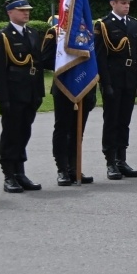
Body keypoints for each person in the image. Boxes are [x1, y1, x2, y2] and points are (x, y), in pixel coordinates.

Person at [0, 0, 45, 193]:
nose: (26, 13)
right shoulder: (2, 36)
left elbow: (37, 65)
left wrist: (39, 93)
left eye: (27, 10)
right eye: (22, 10)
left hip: (30, 93)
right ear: (10, 12)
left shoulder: (33, 33)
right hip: (13, 94)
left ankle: (20, 172)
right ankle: (9, 175)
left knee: (24, 133)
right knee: (11, 134)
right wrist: (2, 98)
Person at [39, 11, 96, 186]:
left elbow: (93, 61)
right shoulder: (55, 32)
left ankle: (74, 168)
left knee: (78, 130)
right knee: (62, 128)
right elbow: (45, 59)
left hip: (84, 86)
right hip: (64, 84)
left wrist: (92, 90)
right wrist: (67, 62)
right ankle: (62, 169)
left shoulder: (87, 32)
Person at [94, 0, 137, 179]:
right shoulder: (104, 25)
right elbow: (101, 57)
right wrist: (105, 84)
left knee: (124, 121)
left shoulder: (134, 24)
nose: (127, 6)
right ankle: (110, 161)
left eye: (128, 3)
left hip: (129, 79)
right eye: (123, 3)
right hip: (113, 80)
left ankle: (121, 159)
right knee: (112, 121)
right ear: (112, 3)